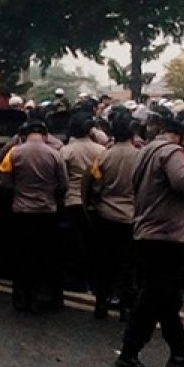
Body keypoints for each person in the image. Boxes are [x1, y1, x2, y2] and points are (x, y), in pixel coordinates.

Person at [113, 118, 184, 367]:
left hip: (148, 230)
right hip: (167, 234)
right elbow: (181, 182)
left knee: (167, 297)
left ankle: (178, 351)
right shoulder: (172, 152)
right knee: (153, 298)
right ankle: (128, 355)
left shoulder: (147, 150)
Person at [0, 120, 67, 312]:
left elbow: (4, 182)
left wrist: (20, 190)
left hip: (22, 212)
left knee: (22, 256)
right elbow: (63, 184)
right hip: (47, 212)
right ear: (45, 135)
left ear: (24, 135)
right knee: (46, 256)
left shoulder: (14, 153)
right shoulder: (55, 154)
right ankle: (46, 298)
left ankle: (22, 298)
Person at [87, 114, 142, 319]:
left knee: (105, 262)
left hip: (106, 215)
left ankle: (101, 303)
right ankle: (126, 307)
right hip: (131, 216)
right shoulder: (140, 156)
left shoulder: (103, 156)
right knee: (128, 265)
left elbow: (95, 186)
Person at [59, 113, 105, 295]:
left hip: (72, 201)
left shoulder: (66, 151)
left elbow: (62, 180)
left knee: (73, 246)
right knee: (93, 244)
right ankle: (94, 280)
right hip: (93, 203)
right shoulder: (101, 150)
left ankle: (75, 280)